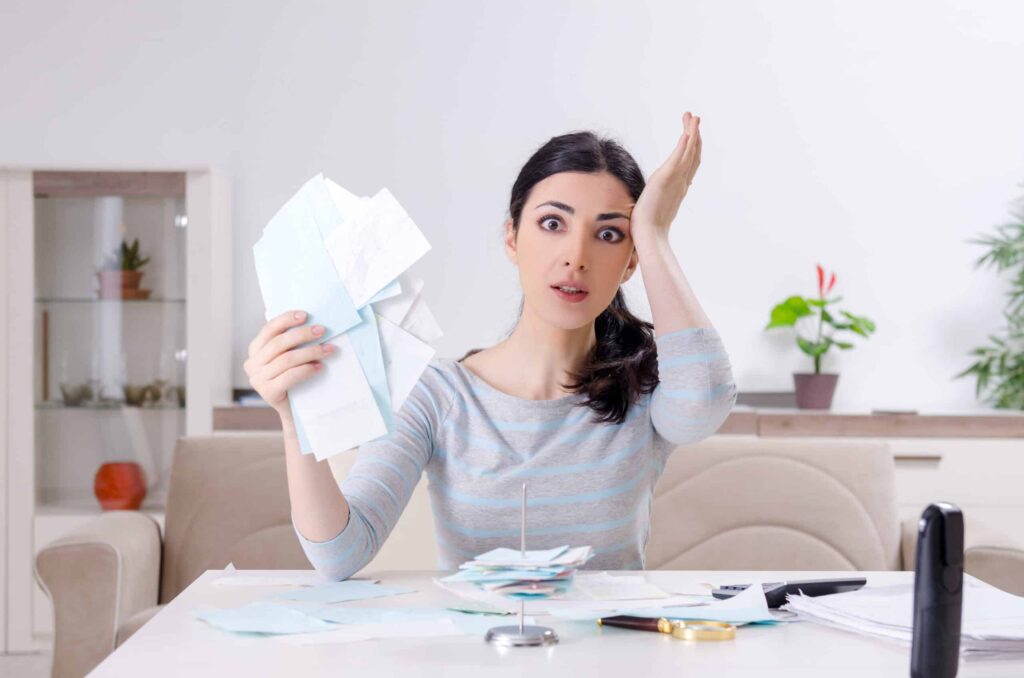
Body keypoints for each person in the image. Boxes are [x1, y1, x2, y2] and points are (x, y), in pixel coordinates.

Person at [244, 112, 737, 579]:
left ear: (630, 263)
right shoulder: (437, 393)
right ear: (511, 238)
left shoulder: (645, 390)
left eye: (609, 234)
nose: (576, 257)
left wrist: (652, 233)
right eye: (551, 224)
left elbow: (704, 405)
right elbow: (340, 554)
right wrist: (295, 417)